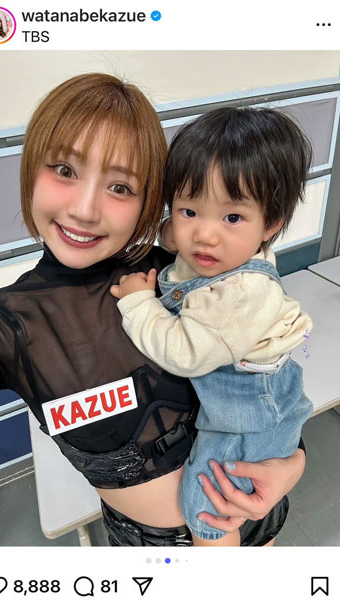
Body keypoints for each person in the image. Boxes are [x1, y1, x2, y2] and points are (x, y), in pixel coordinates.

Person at [0, 73, 307, 546]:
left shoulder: (185, 270)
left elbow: (264, 379)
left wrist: (292, 463)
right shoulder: (2, 328)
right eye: (65, 170)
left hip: (257, 513)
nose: (85, 210)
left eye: (120, 187)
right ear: (31, 170)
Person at [109, 107, 314, 546]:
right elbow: (181, 234)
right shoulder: (217, 250)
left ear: (271, 224)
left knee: (208, 502)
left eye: (232, 218)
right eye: (189, 210)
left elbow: (185, 354)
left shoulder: (241, 291)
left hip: (247, 414)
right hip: (252, 395)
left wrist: (139, 303)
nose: (204, 235)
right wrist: (175, 228)